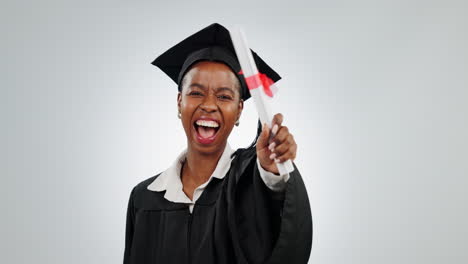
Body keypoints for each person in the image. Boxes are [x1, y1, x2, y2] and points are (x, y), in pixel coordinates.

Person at [123, 23, 312, 264]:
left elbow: (277, 206)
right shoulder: (143, 198)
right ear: (179, 102)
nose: (209, 105)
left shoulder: (248, 183)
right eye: (196, 93)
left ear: (239, 110)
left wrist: (273, 167)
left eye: (224, 96)